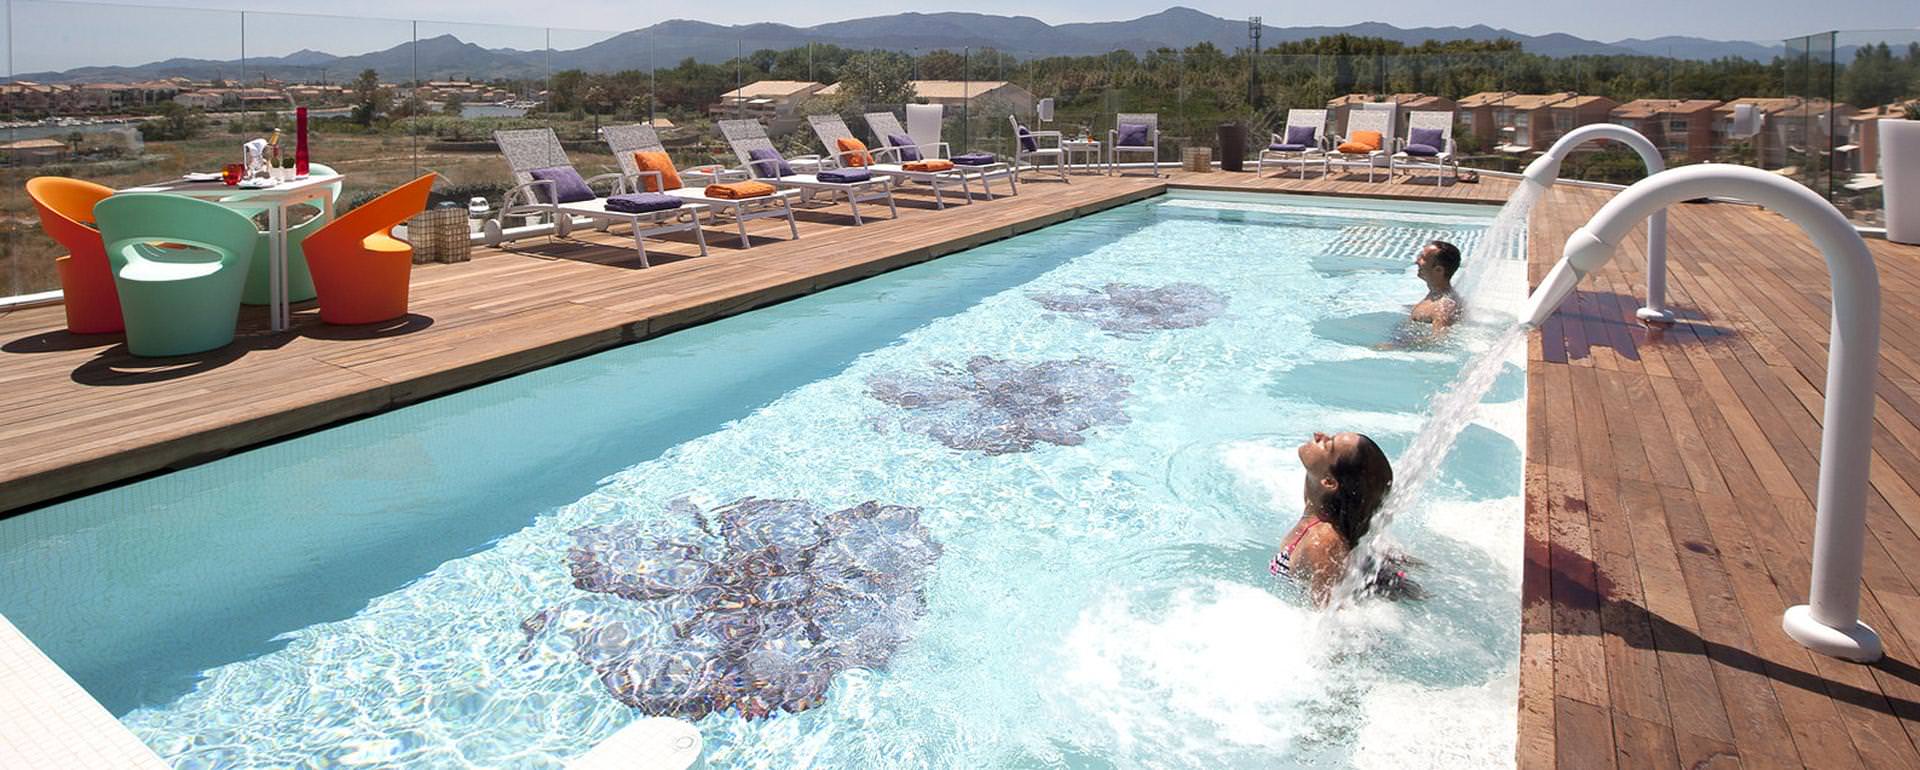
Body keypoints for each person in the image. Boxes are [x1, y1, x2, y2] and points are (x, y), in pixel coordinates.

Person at [1269, 431, 1420, 606]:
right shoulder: (1316, 499)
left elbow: (1325, 617)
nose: (1319, 435)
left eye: (1328, 445)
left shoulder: (1323, 542)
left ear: (1329, 482)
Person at [1408, 240, 1463, 332]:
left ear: (1439, 270)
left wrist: (1400, 346)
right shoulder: (1435, 296)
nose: (1417, 262)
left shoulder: (1443, 307)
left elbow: (1438, 341)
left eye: (1423, 258)